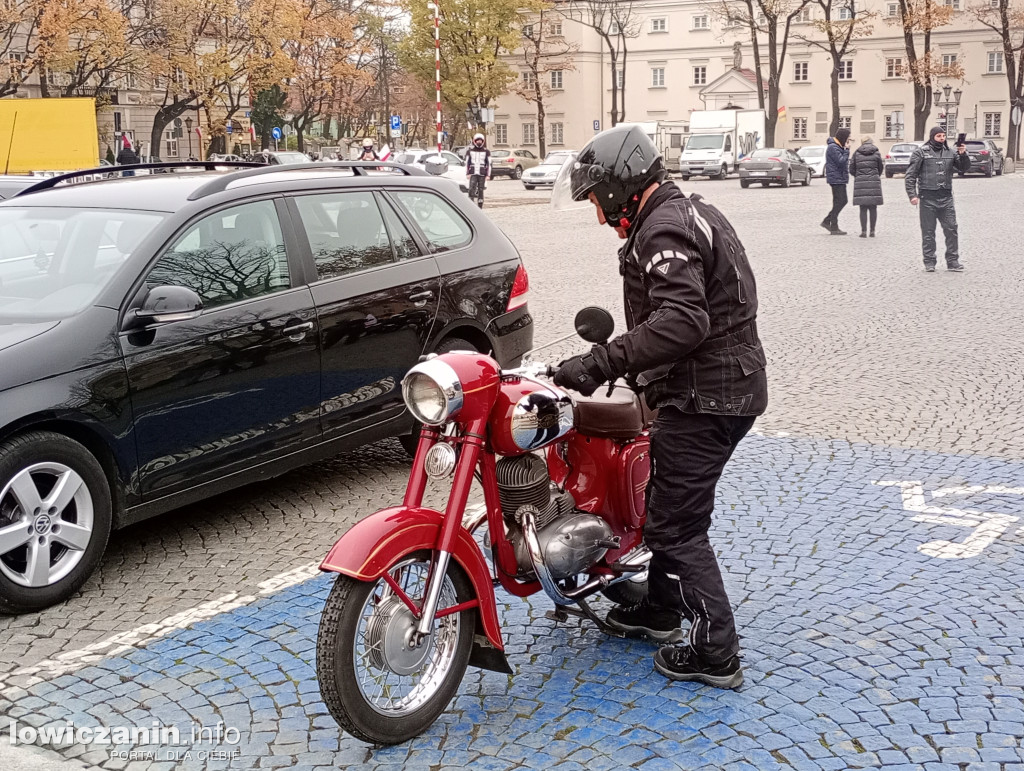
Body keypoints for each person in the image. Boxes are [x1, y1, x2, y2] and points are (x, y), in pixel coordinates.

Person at [550, 124, 768, 689]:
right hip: (721, 388)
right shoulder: (690, 212)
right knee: (672, 513)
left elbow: (682, 320)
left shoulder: (663, 228)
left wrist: (600, 363)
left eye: (598, 199)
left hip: (707, 396)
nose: (599, 215)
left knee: (674, 528)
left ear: (622, 186)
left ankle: (716, 652)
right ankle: (662, 608)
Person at [905, 127, 971, 272]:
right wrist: (912, 195)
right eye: (939, 136)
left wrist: (963, 154)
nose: (942, 138)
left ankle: (953, 261)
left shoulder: (951, 152)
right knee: (928, 231)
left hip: (946, 197)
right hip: (927, 197)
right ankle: (929, 261)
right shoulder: (921, 152)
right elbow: (910, 175)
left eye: (944, 135)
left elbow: (963, 169)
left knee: (952, 229)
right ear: (932, 137)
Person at [850, 137, 884, 238]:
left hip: (860, 182)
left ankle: (864, 231)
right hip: (874, 181)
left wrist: (858, 175)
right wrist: (875, 175)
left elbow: (851, 168)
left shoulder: (856, 153)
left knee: (863, 208)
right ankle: (872, 231)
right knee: (873, 207)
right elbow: (880, 167)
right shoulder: (876, 153)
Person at [821, 127, 851, 235]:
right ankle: (828, 221)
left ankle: (833, 225)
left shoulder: (837, 146)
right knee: (842, 201)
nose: (849, 140)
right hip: (836, 178)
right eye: (848, 138)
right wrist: (847, 150)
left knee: (838, 202)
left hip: (839, 178)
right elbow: (841, 162)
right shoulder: (833, 147)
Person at [465, 133, 491, 208]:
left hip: (482, 174)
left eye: (480, 141)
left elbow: (489, 164)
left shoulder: (486, 152)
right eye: (477, 141)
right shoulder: (469, 151)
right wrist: (467, 173)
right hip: (473, 173)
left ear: (483, 141)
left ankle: (480, 205)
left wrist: (488, 175)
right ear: (474, 141)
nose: (479, 142)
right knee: (471, 189)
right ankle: (470, 204)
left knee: (481, 190)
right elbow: (467, 163)